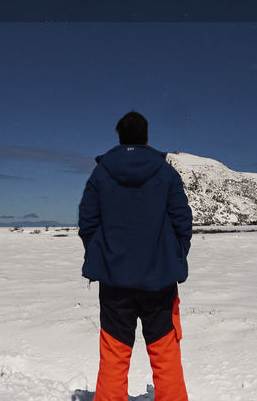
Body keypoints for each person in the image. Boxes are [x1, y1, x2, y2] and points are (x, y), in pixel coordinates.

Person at [78, 110, 192, 401]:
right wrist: (176, 256)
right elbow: (182, 221)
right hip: (160, 281)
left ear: (119, 136)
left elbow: (88, 222)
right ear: (146, 137)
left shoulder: (101, 173)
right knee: (165, 353)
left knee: (114, 354)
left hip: (114, 281)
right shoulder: (166, 173)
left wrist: (102, 255)